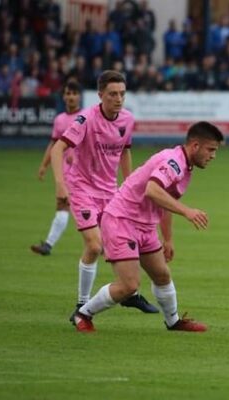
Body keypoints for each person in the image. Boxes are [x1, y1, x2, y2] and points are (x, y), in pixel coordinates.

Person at [71, 121, 224, 333]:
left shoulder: (186, 167)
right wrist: (187, 211)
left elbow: (164, 201)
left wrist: (168, 238)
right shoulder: (174, 162)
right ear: (195, 146)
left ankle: (174, 322)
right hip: (121, 221)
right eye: (211, 149)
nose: (213, 155)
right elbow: (152, 190)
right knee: (129, 286)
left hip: (145, 225)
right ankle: (83, 314)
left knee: (162, 275)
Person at [50, 70, 158, 320]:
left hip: (110, 191)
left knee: (119, 243)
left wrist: (130, 184)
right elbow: (58, 148)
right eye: (112, 94)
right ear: (100, 95)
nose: (118, 99)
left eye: (122, 93)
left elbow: (125, 151)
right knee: (95, 245)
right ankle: (82, 304)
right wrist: (60, 184)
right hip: (82, 189)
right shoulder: (85, 119)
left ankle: (129, 294)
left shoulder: (128, 120)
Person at [31, 81, 82, 256]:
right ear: (63, 96)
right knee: (62, 206)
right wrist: (44, 165)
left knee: (84, 208)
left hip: (84, 173)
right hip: (65, 172)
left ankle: (104, 244)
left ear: (79, 96)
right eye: (68, 93)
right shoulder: (60, 120)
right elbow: (54, 144)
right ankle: (48, 245)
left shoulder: (86, 117)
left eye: (74, 93)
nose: (71, 97)